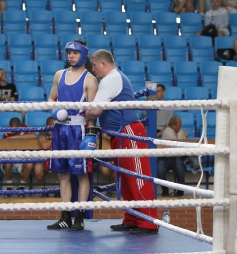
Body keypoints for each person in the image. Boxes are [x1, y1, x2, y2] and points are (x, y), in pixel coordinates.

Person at [86, 49, 159, 236]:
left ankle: (148, 222)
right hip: (120, 134)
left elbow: (95, 111)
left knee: (137, 177)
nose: (93, 70)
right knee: (125, 179)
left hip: (129, 132)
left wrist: (80, 114)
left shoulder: (111, 79)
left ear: (103, 63)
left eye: (94, 66)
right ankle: (132, 218)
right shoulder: (111, 78)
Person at [46, 40, 98, 231]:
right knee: (64, 174)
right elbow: (51, 98)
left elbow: (93, 110)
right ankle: (65, 217)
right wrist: (54, 110)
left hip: (79, 130)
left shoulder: (90, 79)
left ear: (83, 55)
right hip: (60, 129)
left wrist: (91, 135)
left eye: (75, 53)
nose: (71, 56)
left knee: (82, 175)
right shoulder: (59, 75)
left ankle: (80, 217)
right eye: (69, 52)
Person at [0, 117, 36, 198]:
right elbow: (1, 147)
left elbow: (34, 136)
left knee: (30, 164)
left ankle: (21, 187)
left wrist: (15, 138)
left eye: (16, 129)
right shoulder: (7, 132)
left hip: (23, 158)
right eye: (12, 129)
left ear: (20, 126)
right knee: (7, 163)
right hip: (11, 157)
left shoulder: (27, 128)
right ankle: (9, 188)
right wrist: (0, 158)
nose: (14, 131)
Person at [157, 116, 187, 197]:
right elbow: (177, 146)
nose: (181, 126)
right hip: (165, 157)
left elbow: (183, 145)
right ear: (173, 125)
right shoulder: (167, 131)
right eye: (179, 125)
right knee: (160, 169)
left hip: (176, 157)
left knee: (180, 167)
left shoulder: (180, 131)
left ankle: (181, 190)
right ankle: (165, 190)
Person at [36, 116, 56, 197]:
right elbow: (44, 146)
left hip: (57, 156)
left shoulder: (61, 130)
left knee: (60, 161)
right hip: (44, 157)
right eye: (55, 125)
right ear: (49, 126)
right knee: (38, 168)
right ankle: (43, 187)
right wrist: (56, 139)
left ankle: (58, 188)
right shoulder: (43, 132)